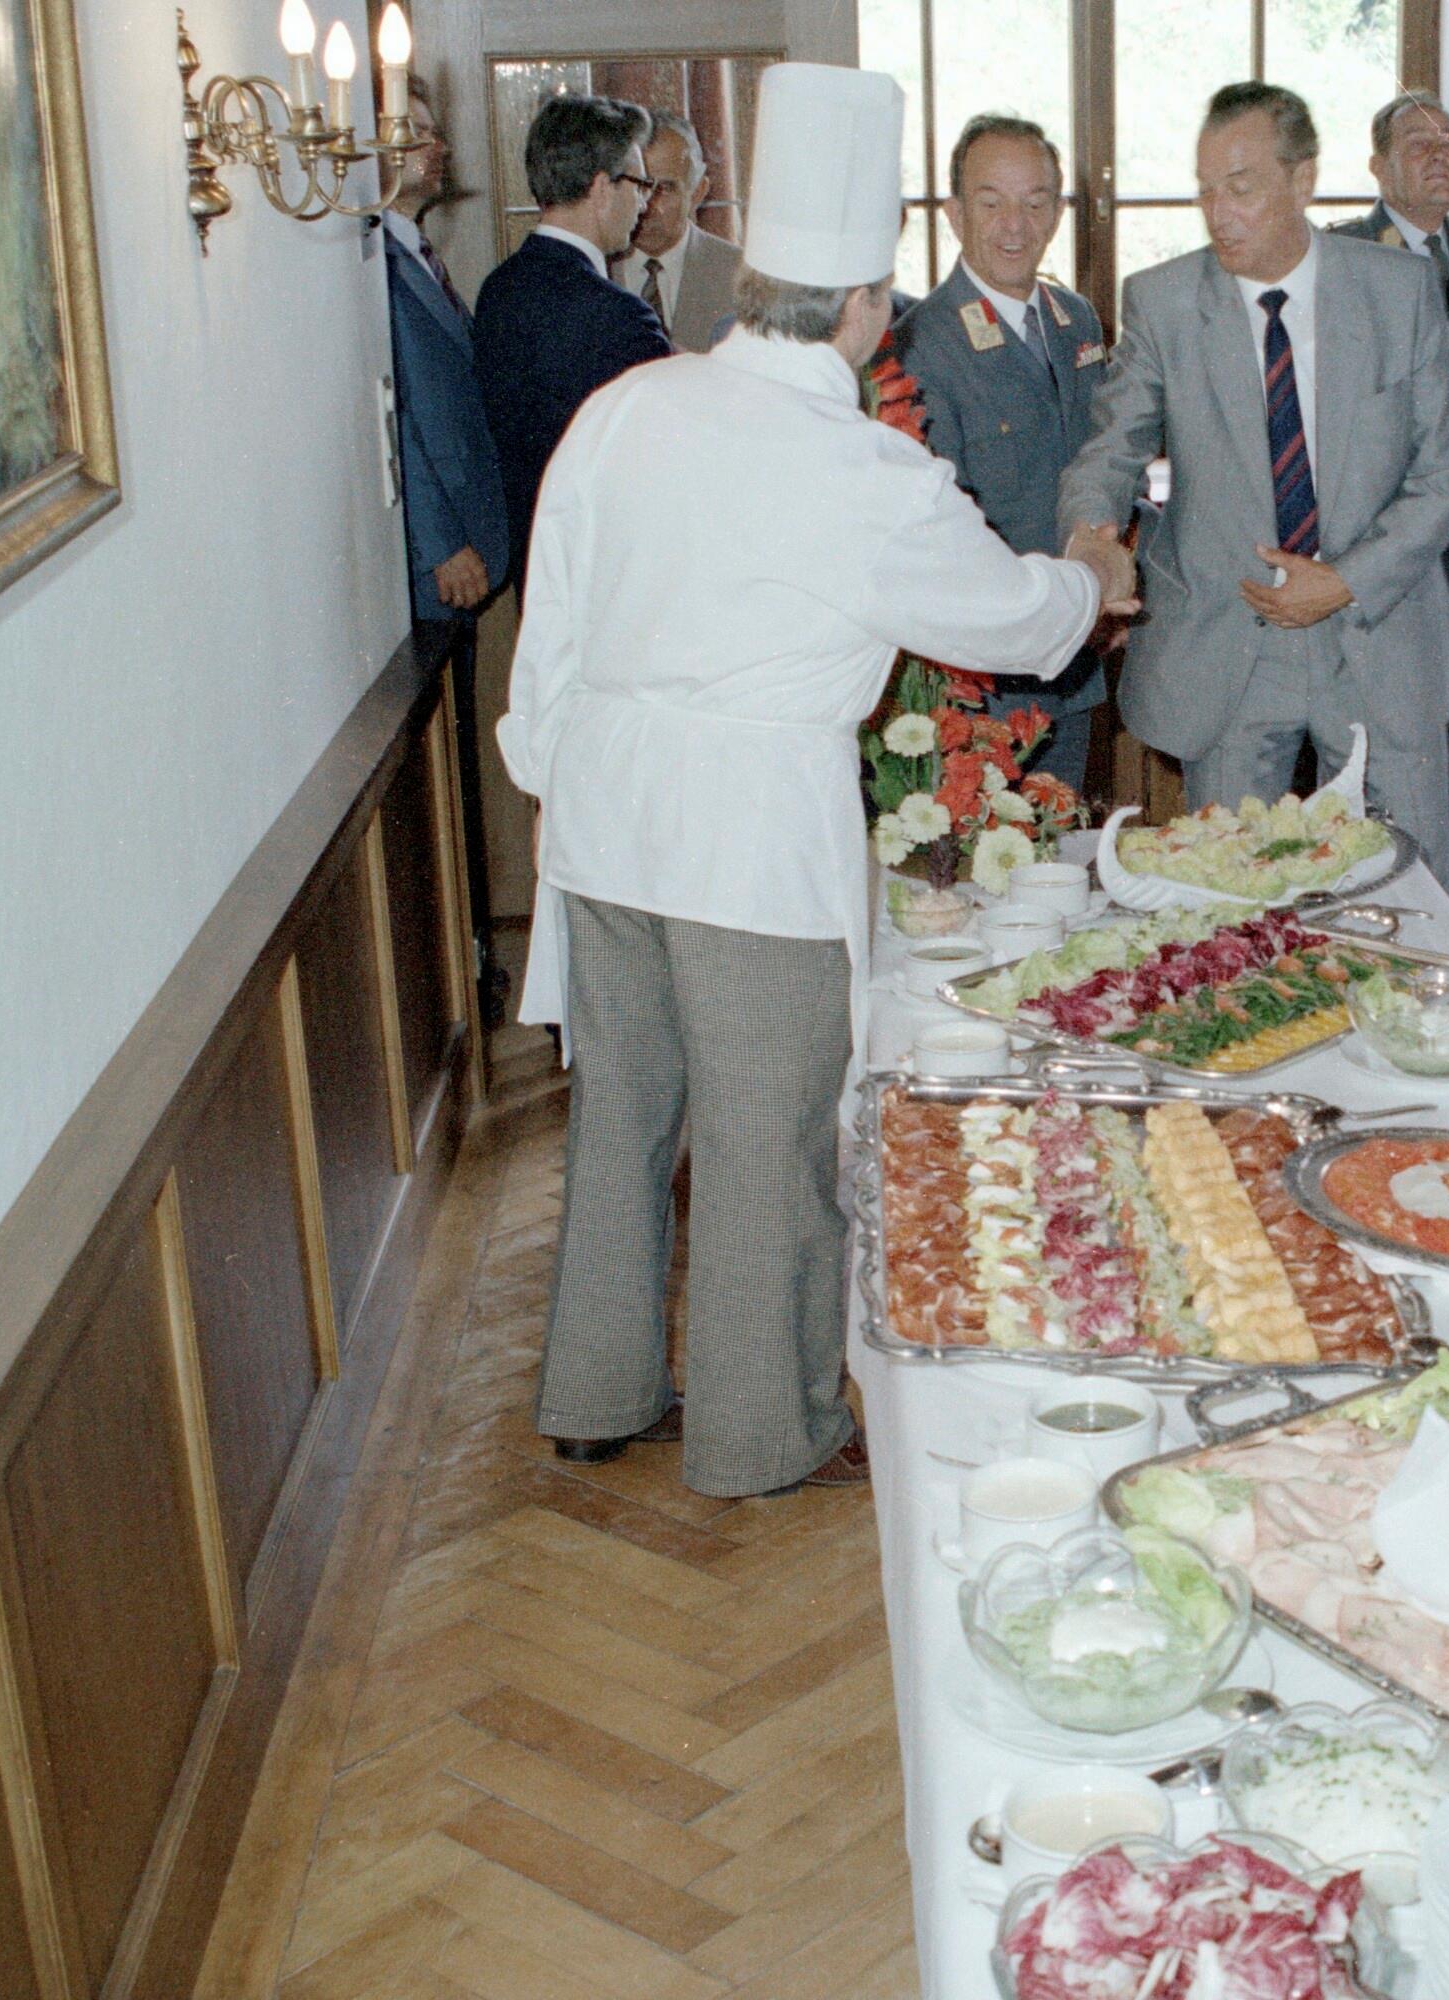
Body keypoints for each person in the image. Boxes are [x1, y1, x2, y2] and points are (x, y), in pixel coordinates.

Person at [497, 63, 1139, 1493]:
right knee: (767, 1144)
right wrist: (1087, 577)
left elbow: (546, 642)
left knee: (620, 1120)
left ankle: (592, 1389)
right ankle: (757, 1433)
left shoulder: (625, 409)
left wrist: (564, 781)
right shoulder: (857, 465)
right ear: (862, 311)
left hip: (599, 832)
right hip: (745, 855)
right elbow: (1013, 624)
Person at [1059, 82, 1449, 909]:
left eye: (1242, 186)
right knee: (1228, 903)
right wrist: (1090, 536)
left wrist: (1349, 577)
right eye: (1205, 188)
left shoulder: (1398, 290)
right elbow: (1110, 447)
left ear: (1303, 180)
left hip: (1376, 631)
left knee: (1411, 894)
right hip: (1230, 643)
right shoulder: (1165, 301)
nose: (1218, 212)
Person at [894, 113, 1113, 795]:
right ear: (956, 214)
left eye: (1036, 201)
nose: (1015, 224)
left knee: (1062, 864)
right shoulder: (922, 342)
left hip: (1075, 661)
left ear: (1058, 210)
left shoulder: (1075, 318)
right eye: (991, 203)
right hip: (984, 684)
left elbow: (1103, 461)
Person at [1334, 90, 1449, 848]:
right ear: (1377, 167)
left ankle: (1439, 890)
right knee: (1358, 725)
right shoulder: (1343, 257)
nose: (1441, 156)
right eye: (1419, 144)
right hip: (1372, 535)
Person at [377, 78, 512, 1009]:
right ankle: (466, 972)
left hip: (471, 549)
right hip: (442, 568)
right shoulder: (370, 266)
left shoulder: (415, 255)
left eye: (431, 131)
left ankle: (478, 962)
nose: (438, 149)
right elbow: (396, 422)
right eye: (416, 133)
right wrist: (438, 544)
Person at [474, 95, 672, 593]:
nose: (645, 200)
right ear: (603, 188)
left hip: (534, 568)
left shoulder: (497, 290)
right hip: (610, 577)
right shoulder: (619, 317)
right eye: (639, 183)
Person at [623, 111, 742, 353]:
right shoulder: (595, 269)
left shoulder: (740, 275)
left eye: (664, 188)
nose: (647, 204)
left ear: (698, 192)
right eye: (639, 185)